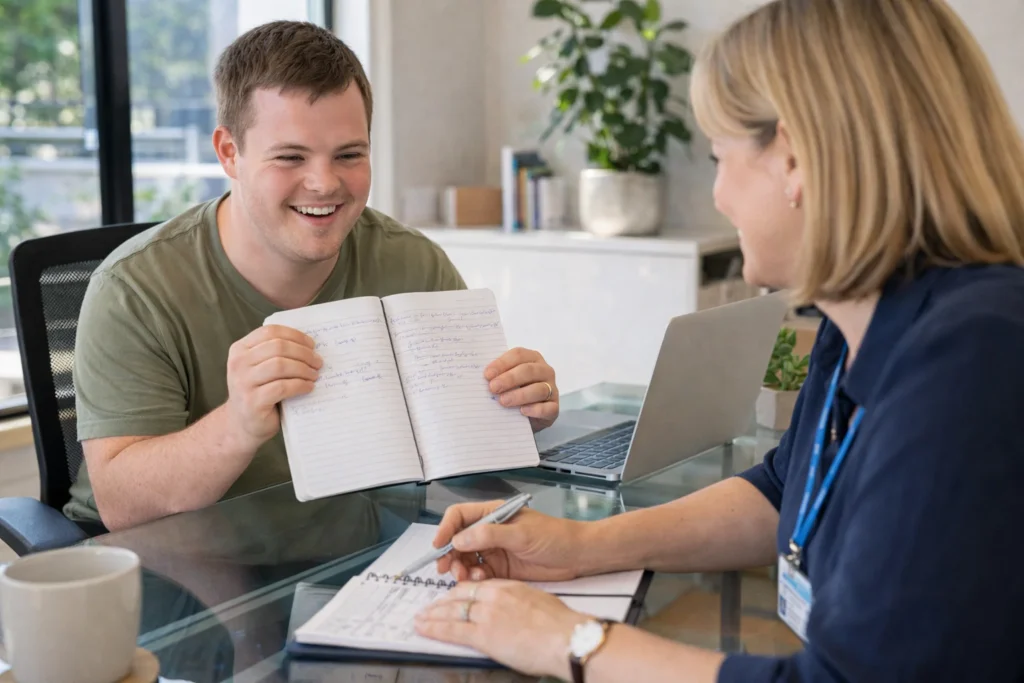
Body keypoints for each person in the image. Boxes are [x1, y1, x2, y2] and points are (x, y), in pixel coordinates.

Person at [413, 1, 1024, 681]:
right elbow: (781, 488)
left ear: (792, 157)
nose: (719, 195)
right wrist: (580, 543)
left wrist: (574, 643)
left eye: (719, 156)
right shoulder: (862, 320)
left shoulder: (972, 360)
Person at [68, 21, 560, 532]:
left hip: (354, 554)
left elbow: (462, 456)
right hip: (183, 569)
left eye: (349, 155)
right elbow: (122, 504)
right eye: (290, 157)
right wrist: (238, 425)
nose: (325, 183)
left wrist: (518, 415)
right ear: (229, 153)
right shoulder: (134, 290)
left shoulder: (413, 264)